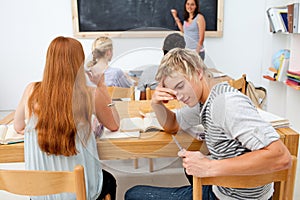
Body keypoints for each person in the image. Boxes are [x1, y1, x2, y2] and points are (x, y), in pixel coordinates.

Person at [124, 48, 292, 200]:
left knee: (133, 194)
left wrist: (210, 166)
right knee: (189, 169)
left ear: (198, 73)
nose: (179, 96)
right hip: (229, 189)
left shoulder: (226, 104)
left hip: (232, 197)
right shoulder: (204, 101)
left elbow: (281, 156)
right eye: (174, 91)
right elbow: (173, 125)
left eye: (181, 86)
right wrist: (156, 104)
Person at [14, 36, 119, 200]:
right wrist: (102, 86)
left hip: (41, 195)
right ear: (79, 63)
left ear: (49, 61)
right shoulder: (90, 94)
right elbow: (114, 125)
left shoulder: (31, 90)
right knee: (109, 181)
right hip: (83, 193)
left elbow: (18, 126)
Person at [137, 33, 185, 100]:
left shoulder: (148, 72)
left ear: (163, 49)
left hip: (153, 110)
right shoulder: (188, 75)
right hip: (178, 110)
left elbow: (142, 103)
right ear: (183, 52)